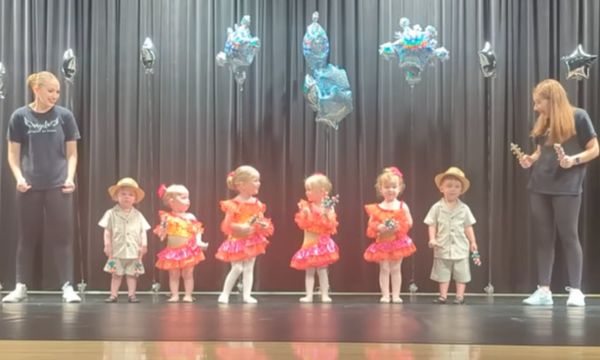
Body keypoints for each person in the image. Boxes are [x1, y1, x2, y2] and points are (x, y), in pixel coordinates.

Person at [3, 71, 81, 303]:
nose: (55, 95)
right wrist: (18, 177)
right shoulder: (19, 116)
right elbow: (12, 154)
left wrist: (70, 178)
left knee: (62, 237)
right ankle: (20, 285)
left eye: (57, 91)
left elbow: (72, 153)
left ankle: (67, 286)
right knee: (26, 237)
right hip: (29, 185)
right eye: (50, 91)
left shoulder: (65, 116)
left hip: (58, 185)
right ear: (37, 89)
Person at [519, 79, 598, 306]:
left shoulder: (579, 116)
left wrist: (573, 160)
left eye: (538, 102)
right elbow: (540, 150)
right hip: (539, 185)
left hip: (567, 186)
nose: (535, 107)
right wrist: (530, 159)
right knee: (544, 239)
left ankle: (576, 290)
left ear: (552, 99)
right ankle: (544, 290)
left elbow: (595, 148)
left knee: (569, 236)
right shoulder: (544, 121)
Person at [215, 165, 274, 304]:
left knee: (249, 268)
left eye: (258, 180)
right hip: (236, 240)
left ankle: (247, 295)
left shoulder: (257, 204)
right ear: (241, 185)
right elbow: (227, 224)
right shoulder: (233, 204)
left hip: (251, 240)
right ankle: (225, 293)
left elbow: (260, 219)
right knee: (237, 267)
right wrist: (239, 227)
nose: (258, 183)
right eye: (255, 180)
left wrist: (262, 225)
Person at [424, 167, 479, 305]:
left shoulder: (464, 208)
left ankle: (460, 296)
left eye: (457, 186)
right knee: (443, 272)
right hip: (442, 246)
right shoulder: (436, 207)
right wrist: (432, 238)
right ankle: (443, 296)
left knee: (461, 272)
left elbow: (468, 226)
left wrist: (473, 242)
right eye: (449, 186)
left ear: (461, 190)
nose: (453, 189)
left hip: (460, 246)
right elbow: (432, 224)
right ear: (441, 188)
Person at [364, 167, 415, 303]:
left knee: (396, 268)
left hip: (398, 242)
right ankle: (385, 295)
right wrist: (379, 227)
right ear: (380, 189)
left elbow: (409, 222)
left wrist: (399, 227)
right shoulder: (377, 208)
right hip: (383, 243)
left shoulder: (402, 206)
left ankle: (396, 295)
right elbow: (371, 225)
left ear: (400, 188)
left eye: (394, 186)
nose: (390, 190)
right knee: (384, 268)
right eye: (386, 187)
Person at [290, 173, 340, 303]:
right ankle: (309, 295)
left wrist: (326, 213)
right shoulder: (306, 206)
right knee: (309, 271)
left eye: (310, 189)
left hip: (322, 244)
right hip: (310, 243)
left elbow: (331, 223)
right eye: (306, 189)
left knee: (323, 270)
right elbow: (303, 223)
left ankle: (325, 294)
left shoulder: (329, 206)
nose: (307, 192)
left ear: (322, 191)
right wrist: (306, 213)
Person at [100, 177, 150, 303]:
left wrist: (144, 244)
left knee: (132, 275)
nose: (127, 197)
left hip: (134, 250)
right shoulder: (111, 213)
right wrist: (107, 245)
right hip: (117, 250)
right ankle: (113, 295)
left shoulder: (138, 215)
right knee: (116, 274)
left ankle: (131, 295)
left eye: (130, 195)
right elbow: (107, 230)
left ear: (135, 198)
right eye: (123, 194)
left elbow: (143, 231)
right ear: (116, 196)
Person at [154, 184, 207, 303]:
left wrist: (199, 241)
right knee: (173, 274)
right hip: (172, 251)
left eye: (188, 197)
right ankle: (175, 295)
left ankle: (188, 295)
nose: (187, 201)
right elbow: (162, 234)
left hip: (188, 249)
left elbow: (197, 230)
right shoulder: (167, 217)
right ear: (171, 202)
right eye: (183, 197)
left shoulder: (190, 216)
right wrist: (162, 231)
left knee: (188, 273)